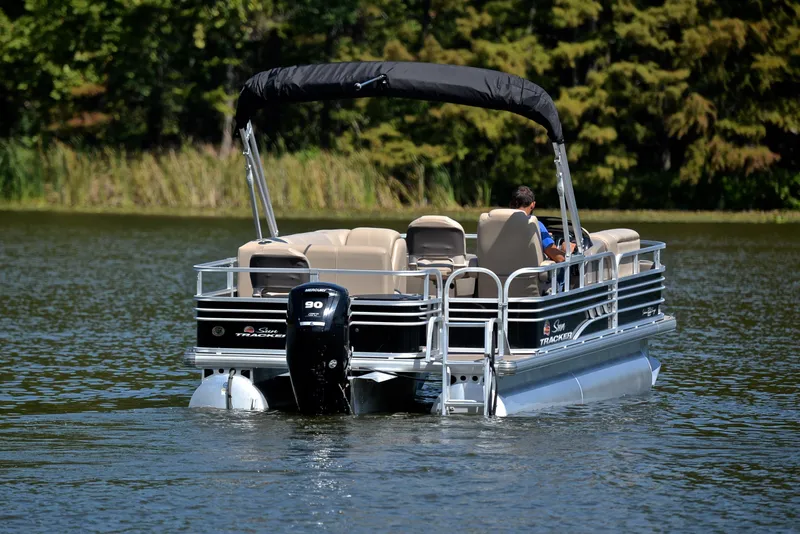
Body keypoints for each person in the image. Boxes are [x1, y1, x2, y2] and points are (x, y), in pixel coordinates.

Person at [508, 185, 574, 263]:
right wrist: (564, 250)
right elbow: (559, 258)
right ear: (533, 205)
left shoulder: (496, 224)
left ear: (510, 204)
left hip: (496, 275)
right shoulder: (535, 225)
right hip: (528, 274)